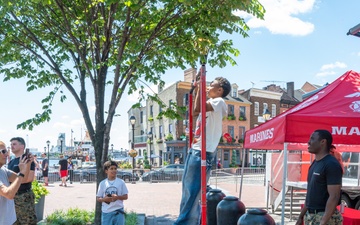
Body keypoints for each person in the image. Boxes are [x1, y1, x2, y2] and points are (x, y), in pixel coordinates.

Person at [175, 76, 231, 225]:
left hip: (202, 152)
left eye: (211, 85)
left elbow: (199, 108)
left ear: (219, 90)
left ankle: (184, 223)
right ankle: (189, 221)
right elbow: (195, 111)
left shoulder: (219, 102)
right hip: (197, 149)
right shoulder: (211, 103)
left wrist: (200, 86)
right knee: (188, 191)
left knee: (192, 192)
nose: (208, 87)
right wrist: (200, 87)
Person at [296, 130, 343, 225]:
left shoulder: (331, 164)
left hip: (324, 216)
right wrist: (301, 217)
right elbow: (310, 195)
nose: (308, 142)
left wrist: (323, 222)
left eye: (312, 139)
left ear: (323, 142)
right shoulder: (315, 163)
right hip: (311, 216)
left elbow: (334, 196)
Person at [0, 141, 32, 225]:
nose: (7, 154)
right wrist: (21, 173)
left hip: (8, 220)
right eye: (3, 151)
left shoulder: (3, 169)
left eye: (6, 151)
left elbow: (24, 179)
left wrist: (27, 165)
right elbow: (8, 194)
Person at [7, 137, 37, 224]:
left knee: (27, 221)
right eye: (11, 144)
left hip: (24, 197)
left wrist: (11, 179)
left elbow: (29, 178)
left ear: (22, 146)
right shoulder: (11, 162)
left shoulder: (27, 159)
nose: (12, 146)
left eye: (14, 144)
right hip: (13, 198)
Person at [96, 160, 128, 225]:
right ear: (106, 171)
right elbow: (98, 198)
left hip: (118, 211)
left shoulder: (121, 182)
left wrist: (118, 197)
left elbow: (126, 196)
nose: (114, 170)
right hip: (106, 212)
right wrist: (104, 199)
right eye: (111, 169)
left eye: (115, 169)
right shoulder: (102, 183)